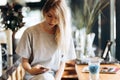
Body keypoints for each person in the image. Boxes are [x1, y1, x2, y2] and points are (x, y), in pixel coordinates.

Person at [15, 0, 76, 80]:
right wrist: (31, 70)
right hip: (32, 76)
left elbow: (62, 63)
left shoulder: (65, 34)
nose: (52, 21)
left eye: (56, 17)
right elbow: (24, 61)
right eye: (49, 16)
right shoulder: (30, 32)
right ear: (44, 12)